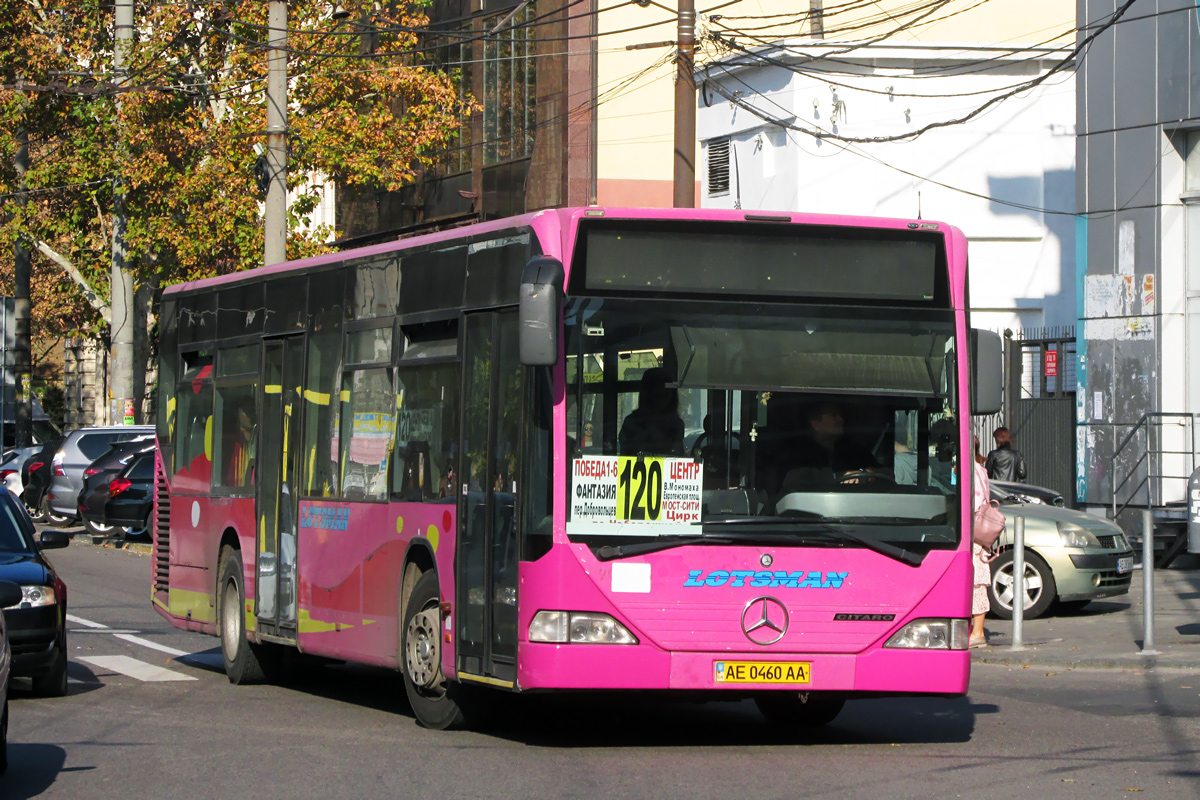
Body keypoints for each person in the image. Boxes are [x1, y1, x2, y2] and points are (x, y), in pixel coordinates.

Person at [618, 367, 684, 456]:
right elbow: (625, 458)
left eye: (666, 394)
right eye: (658, 395)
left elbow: (678, 459)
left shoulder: (676, 424)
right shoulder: (632, 423)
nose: (662, 401)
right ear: (647, 395)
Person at [970, 457, 994, 648]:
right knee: (977, 581)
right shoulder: (981, 470)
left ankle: (977, 633)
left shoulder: (971, 470)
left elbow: (975, 502)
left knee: (977, 583)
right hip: (980, 532)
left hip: (974, 532)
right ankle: (975, 631)